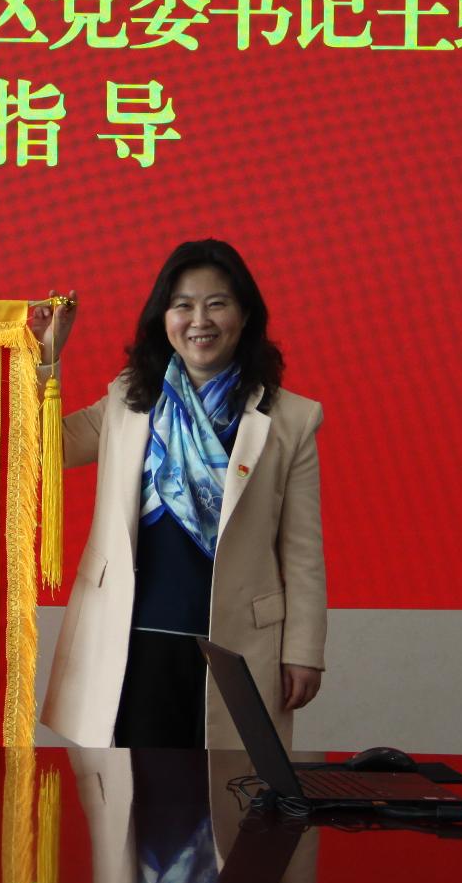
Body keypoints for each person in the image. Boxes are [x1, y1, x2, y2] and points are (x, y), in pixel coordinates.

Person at [32, 240, 326, 750]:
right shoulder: (129, 400)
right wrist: (46, 358)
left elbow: (302, 550)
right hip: (130, 638)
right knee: (131, 794)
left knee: (226, 792)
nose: (199, 320)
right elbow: (43, 447)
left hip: (236, 644)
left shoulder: (291, 419)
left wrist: (303, 650)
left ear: (244, 315)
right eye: (183, 305)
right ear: (163, 317)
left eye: (217, 304)